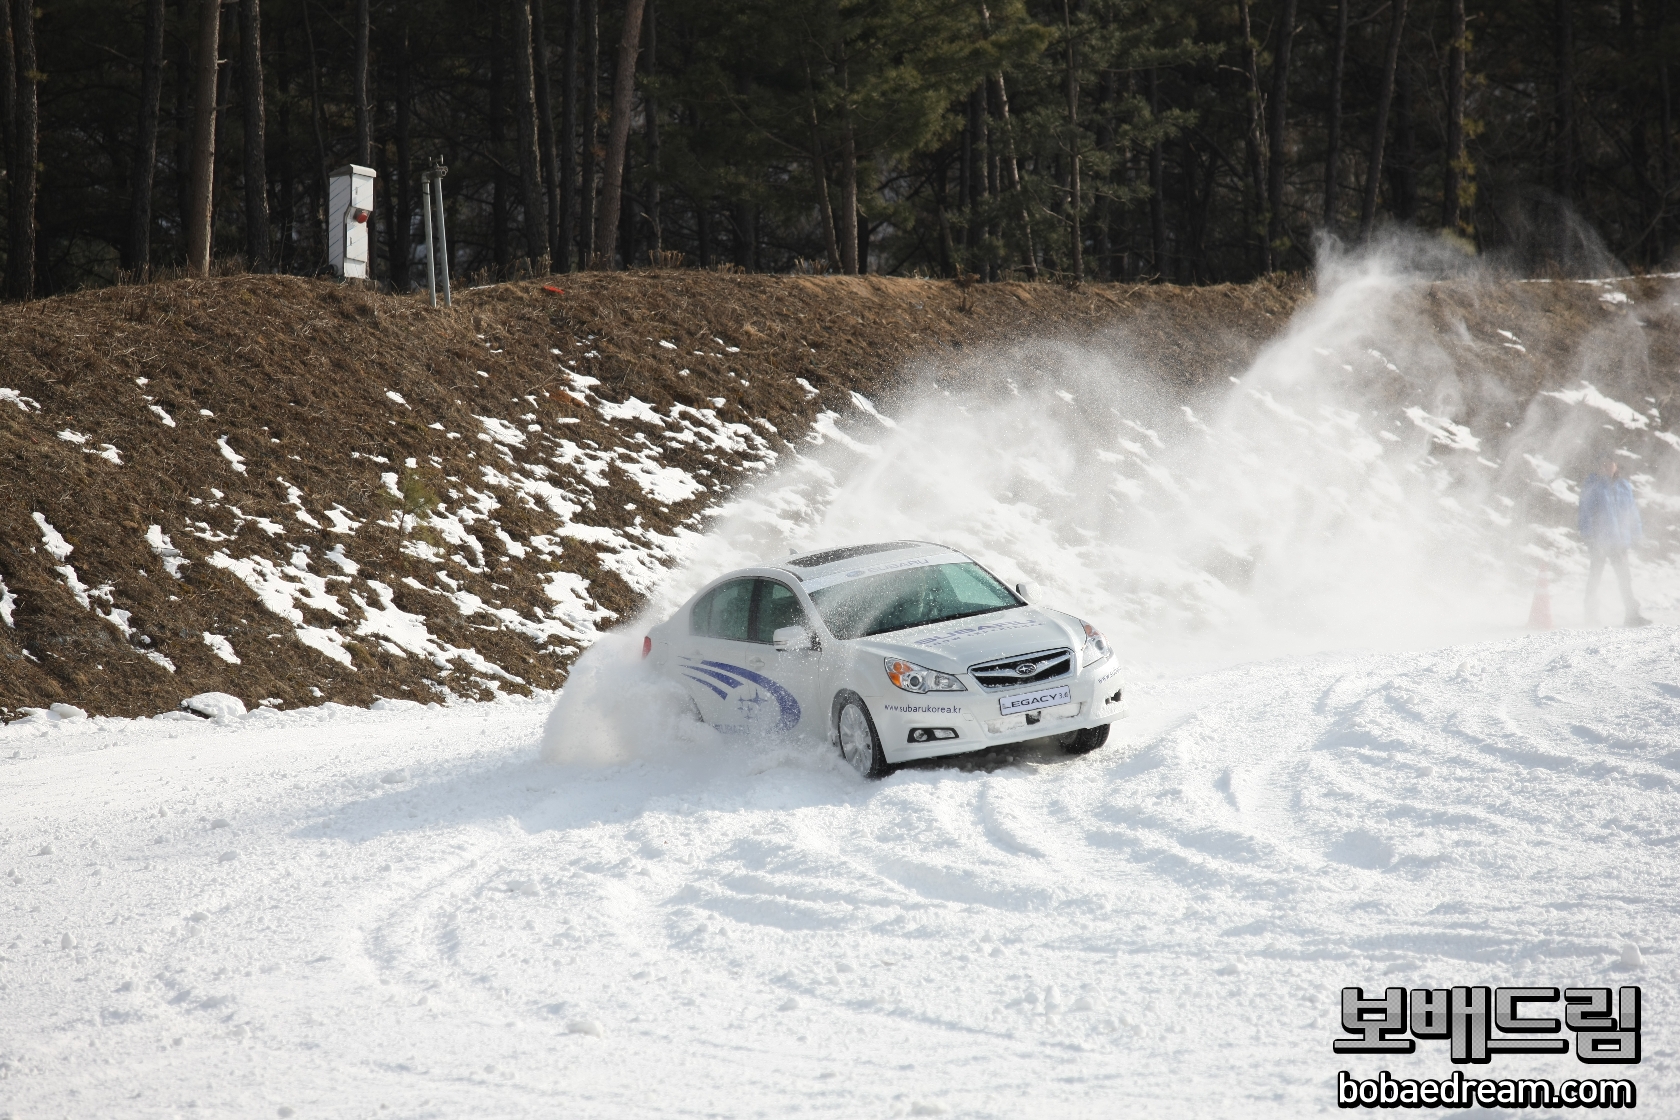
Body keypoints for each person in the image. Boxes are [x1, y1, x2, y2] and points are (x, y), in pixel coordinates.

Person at [1577, 450, 1651, 626]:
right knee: (1595, 577)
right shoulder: (1592, 485)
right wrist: (1587, 534)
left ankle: (1632, 615)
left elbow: (1632, 512)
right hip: (1599, 541)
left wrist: (1636, 534)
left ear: (1616, 466)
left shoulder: (1624, 486)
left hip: (1619, 541)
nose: (1607, 467)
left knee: (1625, 578)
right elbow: (1584, 511)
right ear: (1598, 467)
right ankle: (1591, 616)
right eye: (1603, 464)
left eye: (1610, 464)